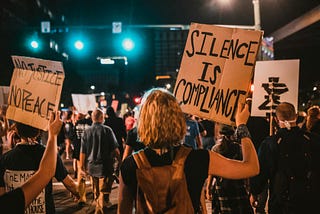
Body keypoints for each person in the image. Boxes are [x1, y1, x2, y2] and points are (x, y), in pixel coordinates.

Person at [118, 88, 259, 213]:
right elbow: (251, 167)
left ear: (143, 122)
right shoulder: (199, 158)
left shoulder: (130, 165)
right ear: (178, 119)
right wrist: (241, 126)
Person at [250, 102, 320, 213]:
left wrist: (254, 192)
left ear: (277, 120)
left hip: (281, 203)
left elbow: (261, 172)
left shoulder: (270, 143)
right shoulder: (313, 140)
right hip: (310, 201)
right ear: (296, 117)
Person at [0, 115, 80, 213]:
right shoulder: (49, 156)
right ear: (38, 132)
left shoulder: (4, 159)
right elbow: (70, 184)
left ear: (16, 130)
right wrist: (79, 194)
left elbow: (2, 194)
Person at [79, 108, 121, 214]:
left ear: (93, 118)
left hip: (91, 166)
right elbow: (116, 150)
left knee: (96, 191)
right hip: (105, 166)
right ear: (102, 118)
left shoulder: (86, 132)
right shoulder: (107, 130)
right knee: (103, 191)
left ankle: (99, 207)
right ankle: (99, 210)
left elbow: (82, 151)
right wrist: (120, 161)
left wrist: (81, 167)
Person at [206, 124, 254, 214]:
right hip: (237, 184)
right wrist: (247, 185)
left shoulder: (215, 149)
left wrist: (208, 188)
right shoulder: (239, 148)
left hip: (221, 186)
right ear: (233, 134)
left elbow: (211, 172)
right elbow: (245, 169)